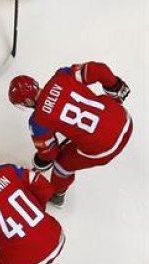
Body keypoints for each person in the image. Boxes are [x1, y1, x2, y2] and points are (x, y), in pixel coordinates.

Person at [8, 63, 132, 206]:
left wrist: (40, 161)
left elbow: (50, 153)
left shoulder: (37, 121)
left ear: (28, 101)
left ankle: (57, 194)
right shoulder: (62, 76)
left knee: (62, 164)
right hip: (124, 119)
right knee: (100, 104)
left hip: (106, 149)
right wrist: (115, 86)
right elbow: (99, 70)